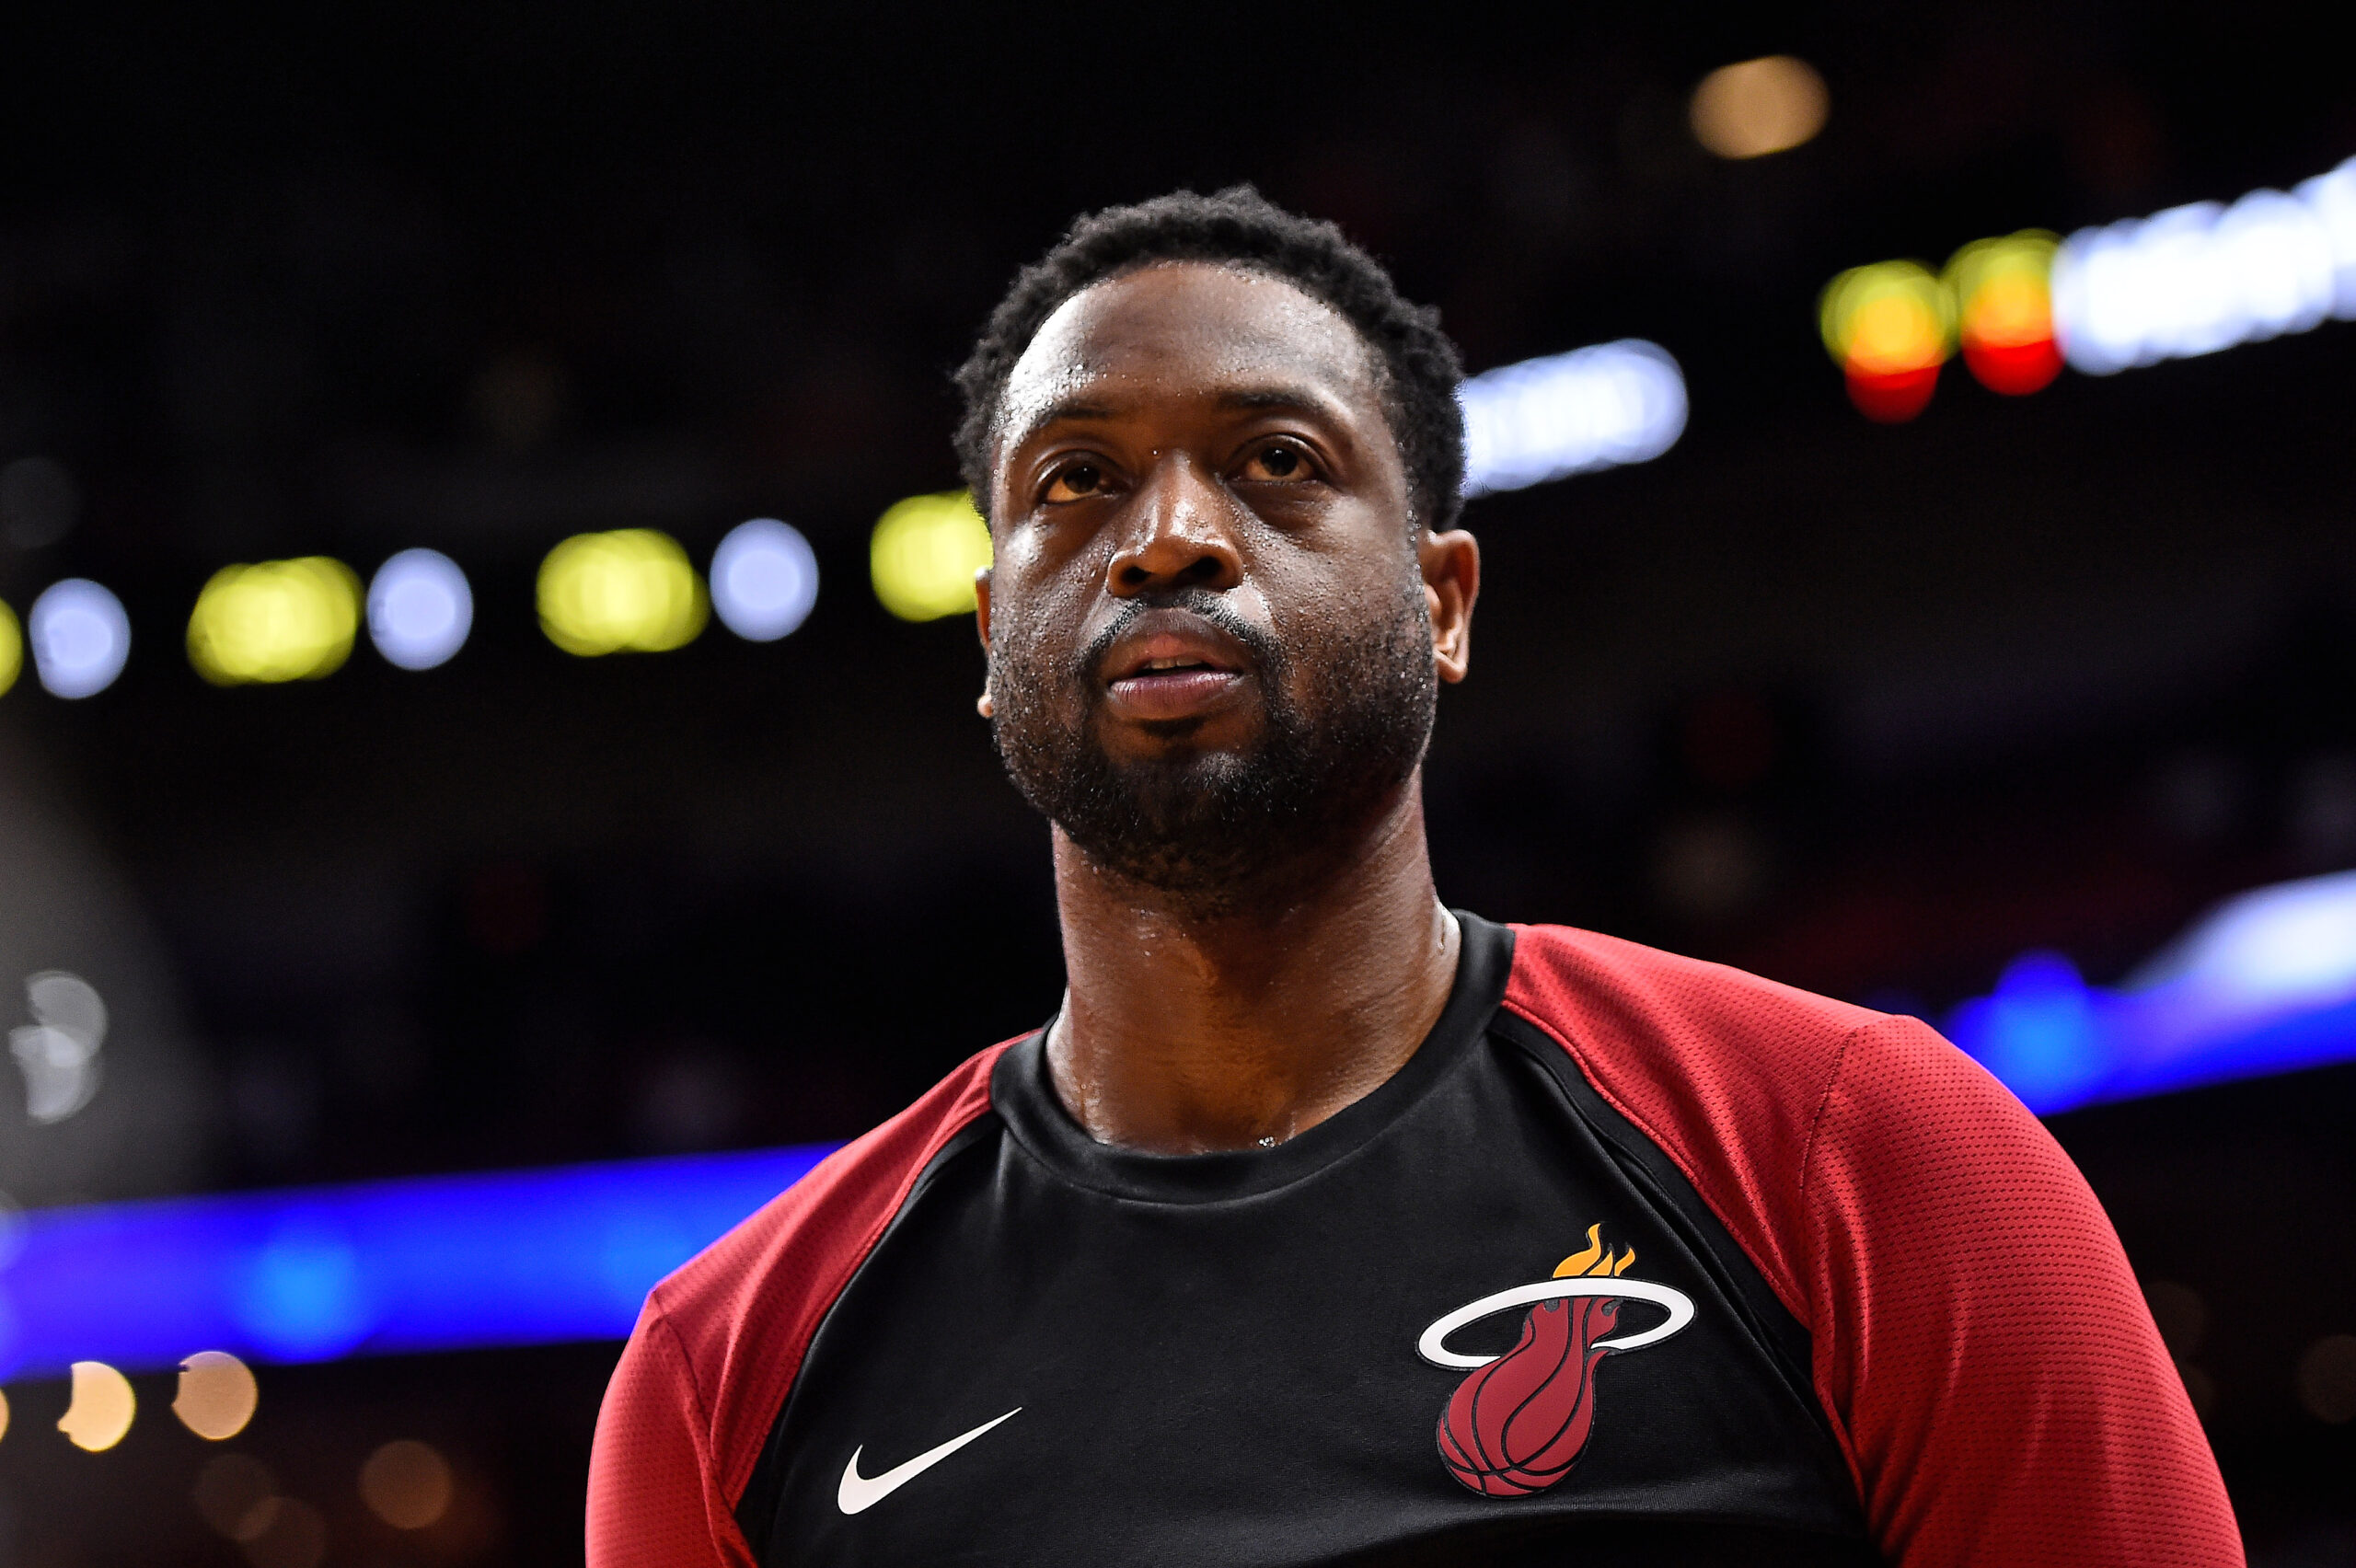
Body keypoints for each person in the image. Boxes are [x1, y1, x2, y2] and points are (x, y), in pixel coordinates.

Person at [586, 187, 2241, 1567]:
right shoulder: (726, 1370)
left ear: (1442, 604)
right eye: (1074, 479)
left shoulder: (1858, 1156)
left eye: (1278, 462)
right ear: (991, 631)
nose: (1168, 534)